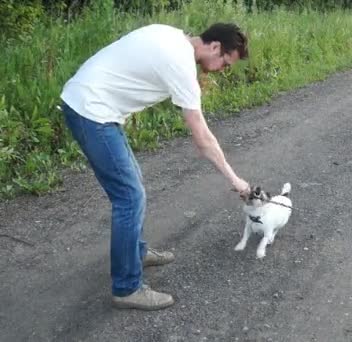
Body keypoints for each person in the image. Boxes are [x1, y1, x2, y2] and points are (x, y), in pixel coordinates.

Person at [60, 23, 251, 310]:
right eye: (225, 62)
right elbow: (203, 138)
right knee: (129, 197)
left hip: (94, 105)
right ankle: (126, 288)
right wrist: (235, 179)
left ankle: (135, 253)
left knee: (132, 184)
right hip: (91, 110)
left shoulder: (172, 36)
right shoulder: (182, 64)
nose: (223, 69)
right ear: (214, 47)